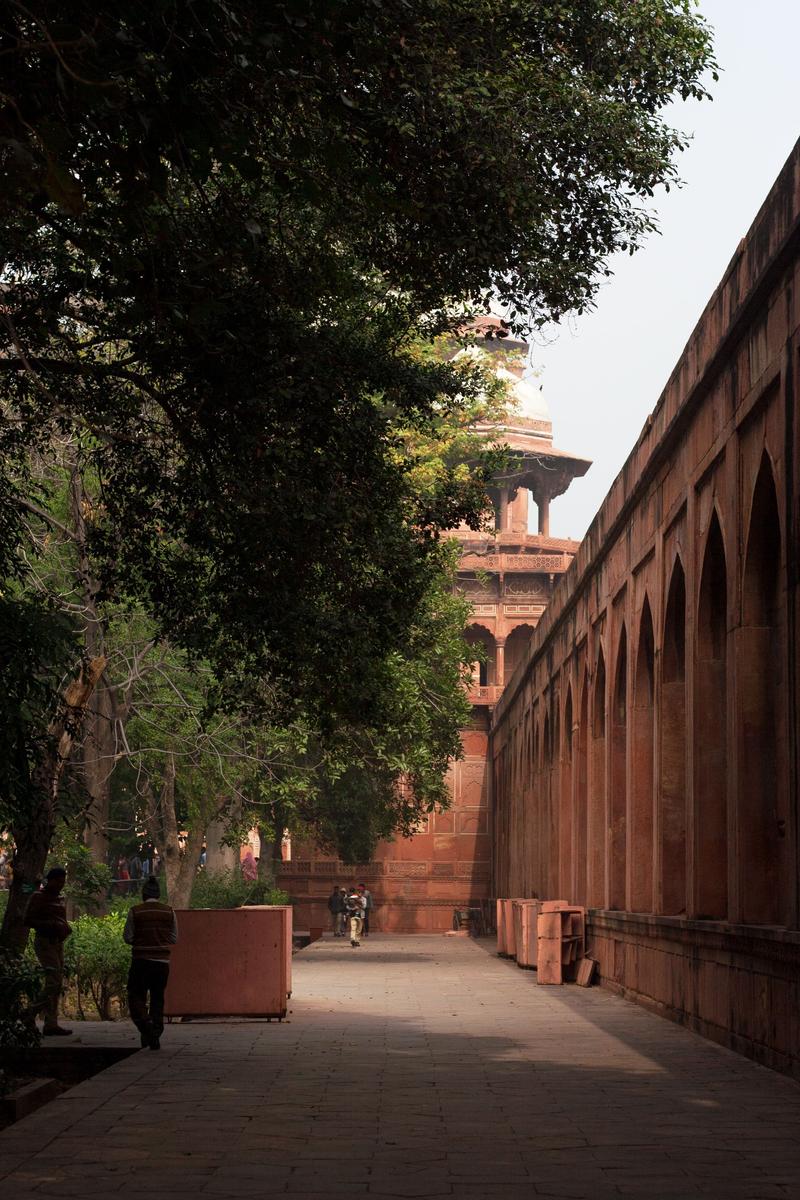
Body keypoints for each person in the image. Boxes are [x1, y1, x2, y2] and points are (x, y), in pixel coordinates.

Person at [123, 875, 178, 1050]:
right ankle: (155, 1029)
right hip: (162, 963)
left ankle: (147, 1028)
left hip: (140, 961)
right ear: (159, 894)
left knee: (136, 996)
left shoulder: (135, 911)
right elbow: (174, 938)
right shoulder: (169, 911)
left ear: (143, 894)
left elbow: (128, 937)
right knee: (157, 998)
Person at [25, 866, 72, 1036]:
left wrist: (64, 927)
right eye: (58, 881)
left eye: (63, 882)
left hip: (57, 942)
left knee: (57, 983)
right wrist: (51, 925)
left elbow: (60, 918)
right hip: (44, 942)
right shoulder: (38, 896)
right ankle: (30, 1012)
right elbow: (28, 919)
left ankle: (51, 1023)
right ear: (50, 880)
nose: (61, 885)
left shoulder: (59, 898)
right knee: (53, 981)